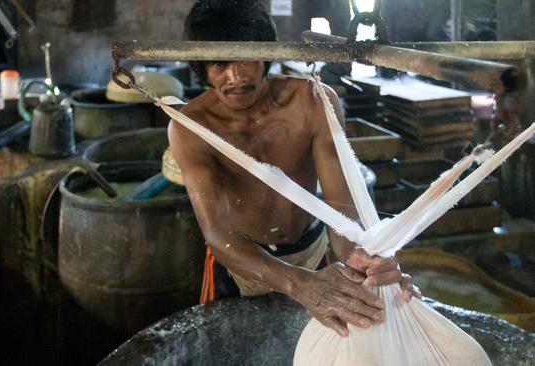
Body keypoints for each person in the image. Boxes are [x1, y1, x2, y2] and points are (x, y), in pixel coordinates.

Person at [168, 0, 420, 337]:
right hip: (243, 263)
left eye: (246, 58)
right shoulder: (191, 127)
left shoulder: (314, 103)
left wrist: (363, 263)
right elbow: (218, 235)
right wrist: (299, 284)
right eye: (219, 63)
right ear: (201, 68)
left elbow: (341, 208)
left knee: (332, 341)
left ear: (267, 54)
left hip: (312, 249)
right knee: (238, 349)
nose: (237, 76)